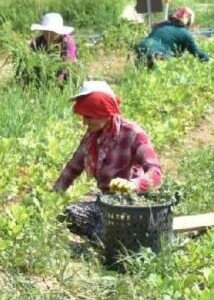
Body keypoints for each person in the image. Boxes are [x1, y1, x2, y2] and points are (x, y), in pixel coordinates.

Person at [53, 80, 163, 241]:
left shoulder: (133, 134)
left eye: (89, 117)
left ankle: (112, 238)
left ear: (103, 113)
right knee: (69, 215)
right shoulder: (92, 137)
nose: (85, 122)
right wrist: (53, 196)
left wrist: (133, 185)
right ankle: (108, 236)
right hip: (107, 203)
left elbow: (156, 173)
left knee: (108, 233)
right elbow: (72, 168)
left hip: (133, 206)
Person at [135, 6, 210, 67]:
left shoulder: (161, 25)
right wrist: (208, 59)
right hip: (158, 52)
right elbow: (197, 53)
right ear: (188, 20)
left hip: (141, 46)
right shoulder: (185, 33)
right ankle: (156, 57)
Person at [28, 12, 78, 82]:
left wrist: (57, 81)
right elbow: (31, 59)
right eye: (46, 31)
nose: (49, 34)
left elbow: (67, 64)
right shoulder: (38, 42)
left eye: (52, 32)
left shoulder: (68, 42)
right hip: (43, 76)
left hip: (67, 76)